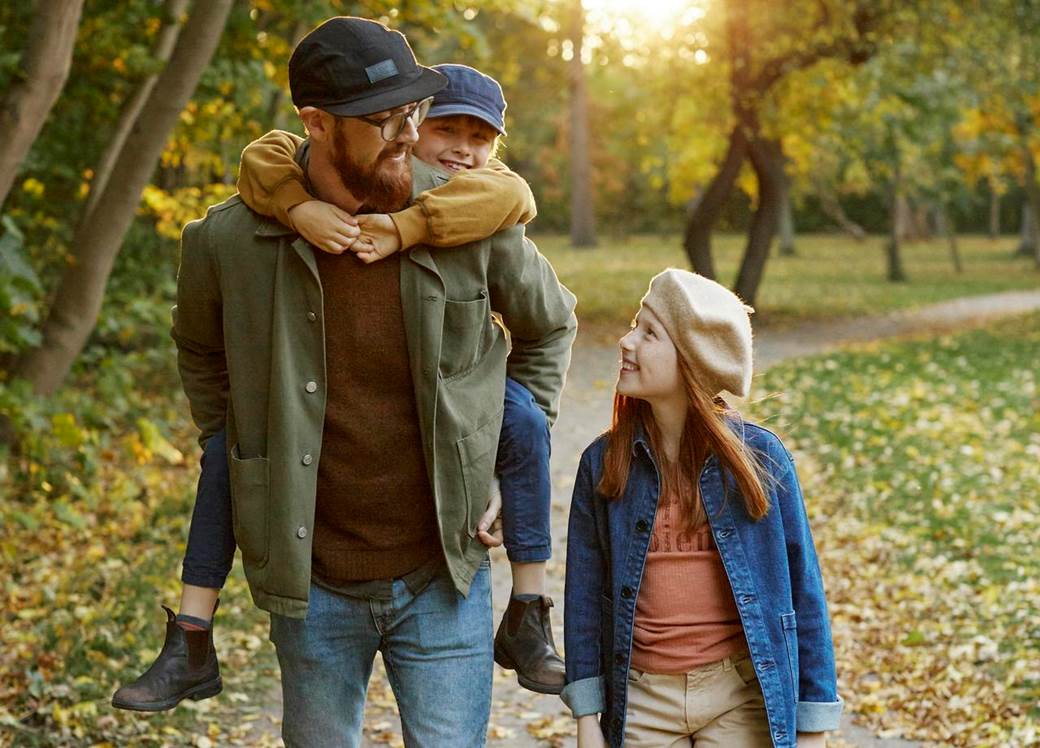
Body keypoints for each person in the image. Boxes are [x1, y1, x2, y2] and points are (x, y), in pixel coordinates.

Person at [119, 16, 576, 746]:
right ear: (317, 123)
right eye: (385, 119)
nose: (408, 133)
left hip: (445, 576)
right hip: (314, 588)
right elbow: (200, 352)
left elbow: (549, 327)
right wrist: (240, 451)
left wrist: (506, 442)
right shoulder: (230, 241)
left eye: (413, 113)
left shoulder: (466, 215)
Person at [233, 62, 567, 694]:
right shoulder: (364, 170)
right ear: (412, 126)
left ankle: (530, 607)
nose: (464, 151)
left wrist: (405, 227)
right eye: (449, 130)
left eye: (481, 138)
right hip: (330, 545)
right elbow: (261, 155)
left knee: (523, 422)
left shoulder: (486, 194)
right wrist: (298, 206)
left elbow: (516, 200)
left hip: (464, 456)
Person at [562, 269, 842, 748]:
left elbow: (802, 593)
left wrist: (812, 725)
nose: (626, 342)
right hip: (642, 697)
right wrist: (588, 717)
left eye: (649, 333)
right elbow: (584, 596)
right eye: (634, 325)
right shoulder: (603, 463)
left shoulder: (761, 460)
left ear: (692, 360)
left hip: (738, 694)